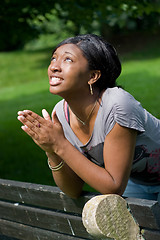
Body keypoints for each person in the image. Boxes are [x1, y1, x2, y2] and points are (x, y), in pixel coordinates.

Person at [17, 34, 160, 203]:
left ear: (93, 76)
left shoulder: (117, 105)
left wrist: (59, 143)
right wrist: (52, 151)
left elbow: (113, 186)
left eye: (68, 60)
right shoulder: (61, 115)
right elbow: (73, 190)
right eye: (54, 58)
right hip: (137, 181)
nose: (54, 66)